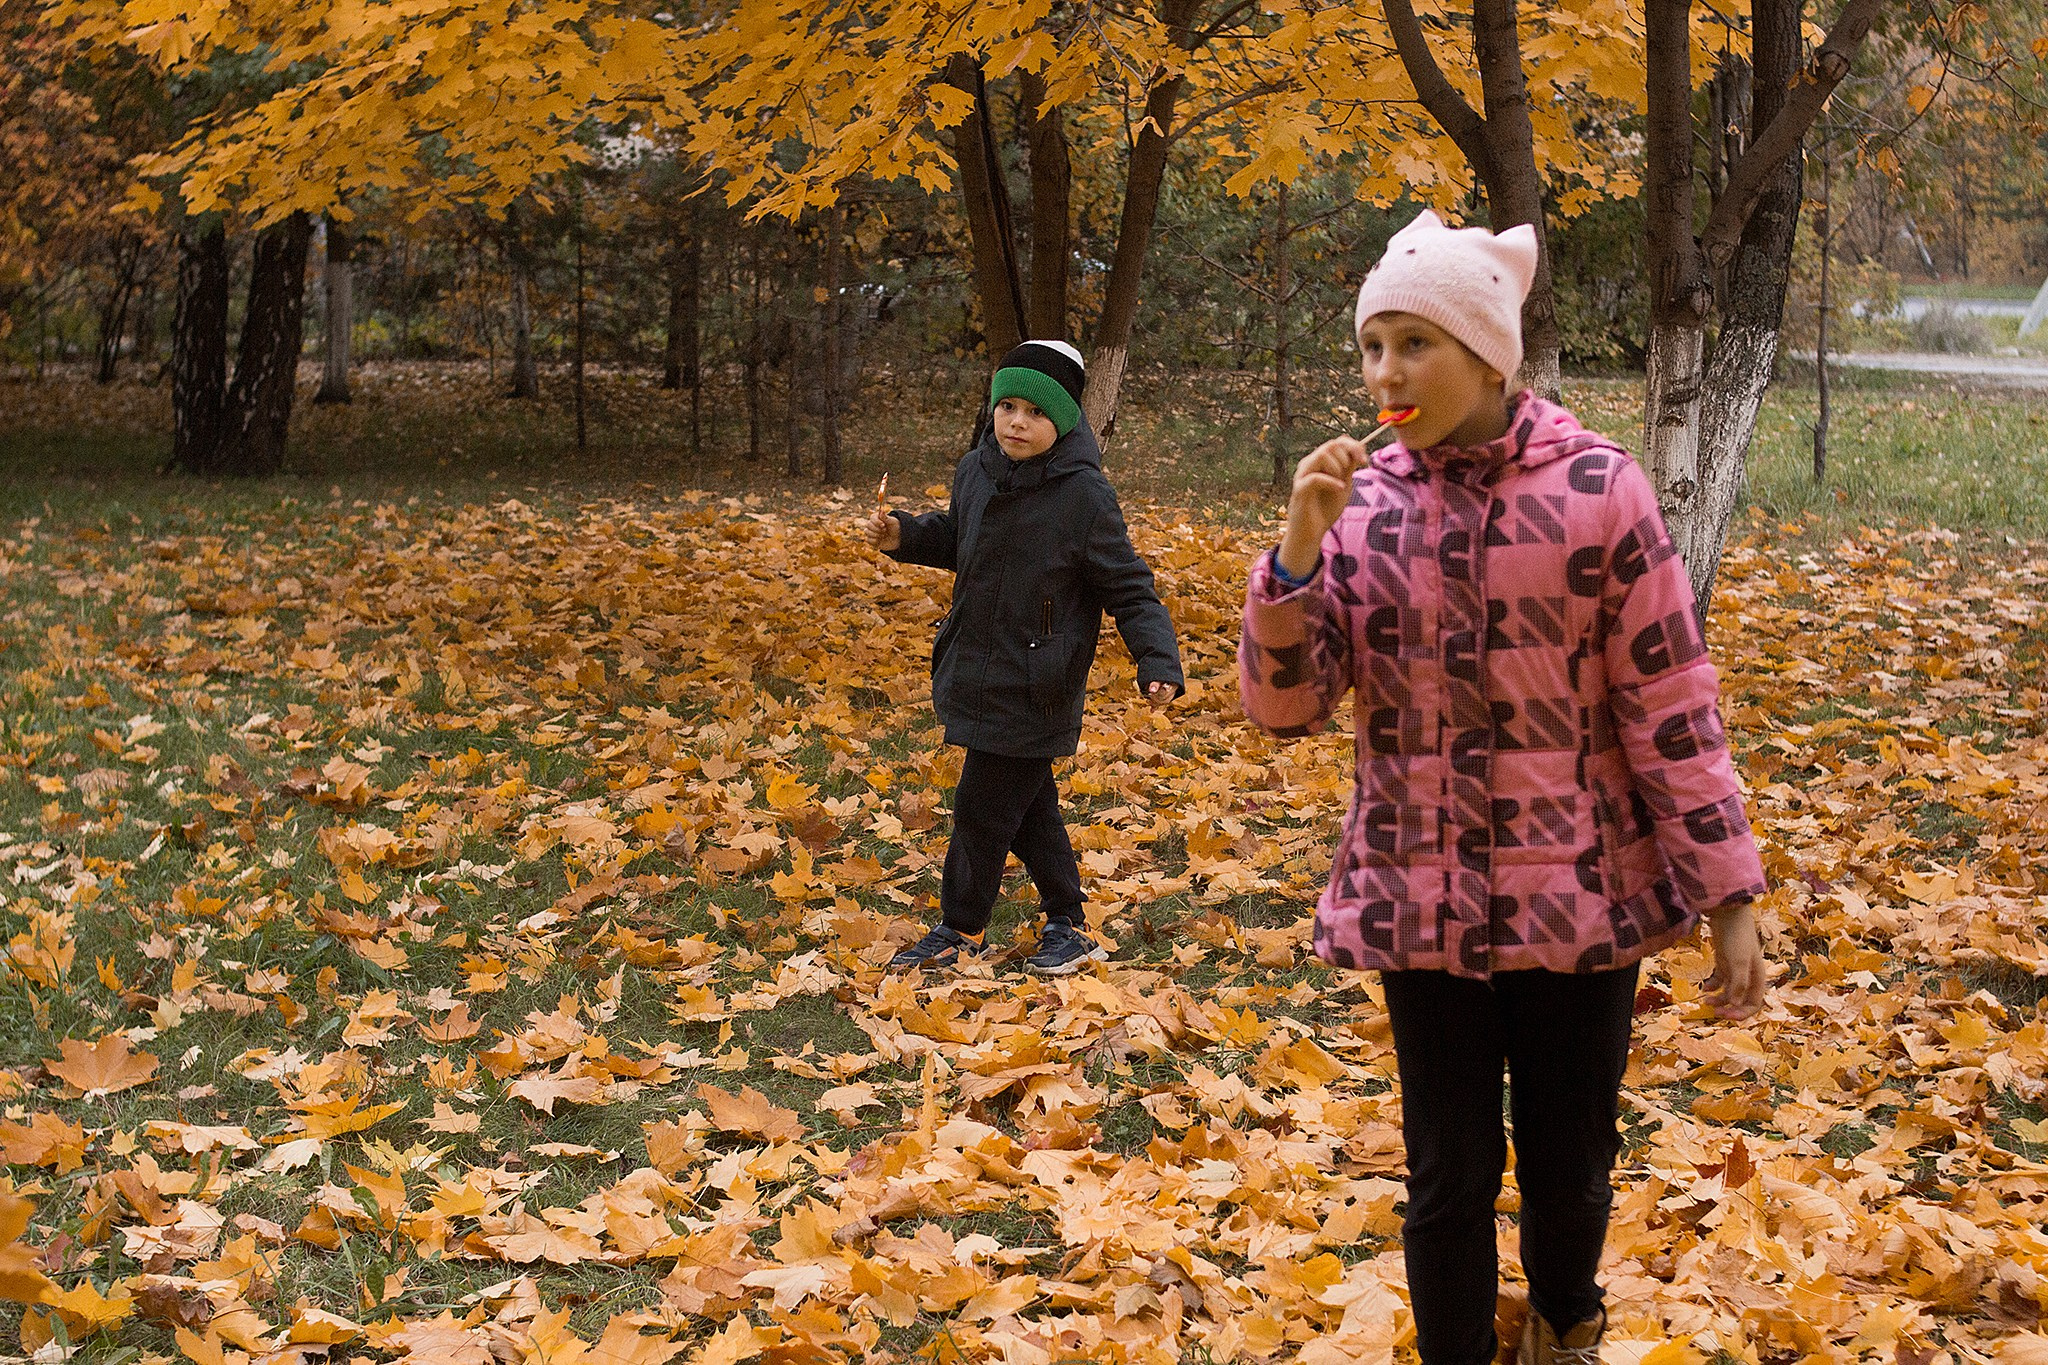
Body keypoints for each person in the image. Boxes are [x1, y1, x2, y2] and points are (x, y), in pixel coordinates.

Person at [1237, 210, 1768, 1365]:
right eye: (1370, 346)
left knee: (1569, 1160)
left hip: (1577, 904)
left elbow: (1669, 704)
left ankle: (1565, 1326)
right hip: (1418, 904)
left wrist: (1727, 891)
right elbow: (1284, 708)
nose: (1385, 373)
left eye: (1412, 344)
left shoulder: (1598, 491)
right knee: (1445, 1173)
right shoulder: (1359, 504)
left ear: (1487, 357)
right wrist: (1291, 555)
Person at [865, 340, 1184, 975]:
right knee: (1028, 805)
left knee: (983, 807)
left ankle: (960, 927)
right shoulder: (976, 470)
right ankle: (1070, 921)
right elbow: (963, 538)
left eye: (1034, 412)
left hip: (1040, 680)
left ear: (1063, 420)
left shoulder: (1084, 497)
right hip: (977, 662)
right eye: (1006, 406)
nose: (1015, 421)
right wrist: (906, 534)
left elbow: (1128, 587)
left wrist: (1157, 661)